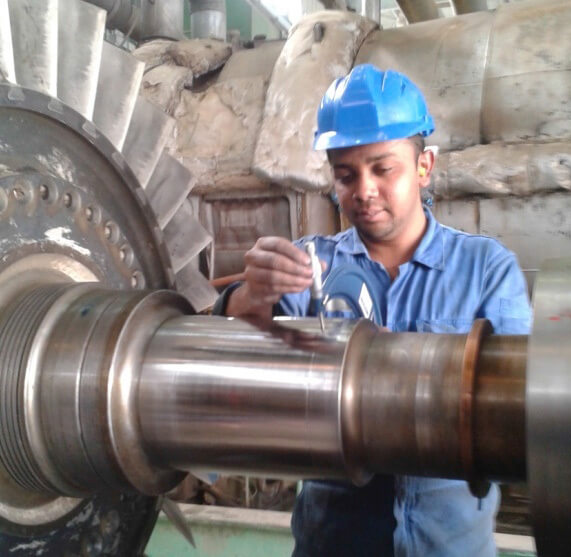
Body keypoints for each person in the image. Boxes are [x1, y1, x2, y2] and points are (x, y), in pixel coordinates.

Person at [214, 64, 531, 556]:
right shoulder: (310, 266)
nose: (363, 191)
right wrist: (249, 297)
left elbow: (522, 415)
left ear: (424, 166)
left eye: (383, 169)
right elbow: (230, 363)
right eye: (346, 175)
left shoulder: (486, 270)